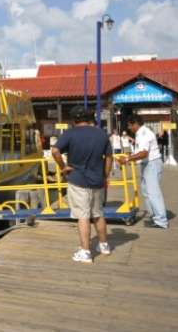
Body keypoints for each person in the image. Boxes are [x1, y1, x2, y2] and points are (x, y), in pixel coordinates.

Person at [51, 107, 112, 263]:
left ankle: (85, 252)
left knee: (83, 216)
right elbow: (109, 158)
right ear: (91, 118)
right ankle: (104, 245)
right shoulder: (101, 134)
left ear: (74, 120)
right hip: (97, 180)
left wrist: (63, 167)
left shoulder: (70, 134)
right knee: (98, 214)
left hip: (78, 180)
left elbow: (55, 151)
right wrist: (105, 175)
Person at [117, 115, 168, 229]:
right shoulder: (140, 133)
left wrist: (126, 159)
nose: (129, 128)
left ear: (135, 123)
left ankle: (161, 220)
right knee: (146, 192)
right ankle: (154, 217)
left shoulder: (144, 133)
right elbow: (140, 152)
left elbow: (144, 153)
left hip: (151, 163)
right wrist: (130, 157)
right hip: (147, 164)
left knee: (153, 192)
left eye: (130, 125)